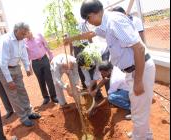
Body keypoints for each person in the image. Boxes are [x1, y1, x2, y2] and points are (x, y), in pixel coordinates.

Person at [64, 0, 156, 139]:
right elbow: (90, 34)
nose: (89, 22)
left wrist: (138, 81)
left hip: (139, 69)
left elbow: (139, 48)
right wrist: (72, 39)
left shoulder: (114, 22)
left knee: (139, 109)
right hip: (132, 70)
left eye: (88, 19)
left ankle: (141, 137)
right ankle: (143, 133)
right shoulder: (106, 23)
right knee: (137, 109)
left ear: (93, 14)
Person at [0, 22, 40, 127]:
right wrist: (9, 80)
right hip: (4, 68)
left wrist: (27, 68)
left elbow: (24, 53)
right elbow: (3, 63)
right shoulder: (6, 40)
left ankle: (29, 112)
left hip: (16, 66)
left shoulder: (21, 39)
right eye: (22, 34)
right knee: (13, 94)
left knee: (22, 90)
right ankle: (23, 117)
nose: (24, 36)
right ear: (16, 31)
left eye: (25, 34)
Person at [25, 31, 58, 105]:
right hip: (35, 63)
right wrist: (29, 67)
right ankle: (46, 97)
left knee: (49, 78)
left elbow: (46, 45)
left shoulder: (39, 35)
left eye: (26, 33)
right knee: (41, 80)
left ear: (30, 31)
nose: (25, 35)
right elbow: (27, 56)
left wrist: (51, 56)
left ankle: (54, 96)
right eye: (24, 34)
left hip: (44, 59)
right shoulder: (25, 43)